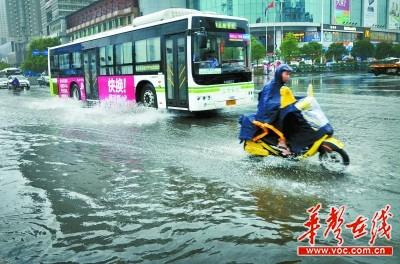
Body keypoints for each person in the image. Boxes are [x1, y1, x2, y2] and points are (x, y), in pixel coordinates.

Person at [255, 64, 293, 155]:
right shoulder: (271, 86)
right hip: (266, 116)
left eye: (289, 74)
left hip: (273, 112)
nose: (288, 76)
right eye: (286, 74)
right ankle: (281, 142)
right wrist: (279, 105)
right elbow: (266, 102)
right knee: (285, 117)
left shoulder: (281, 85)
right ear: (280, 74)